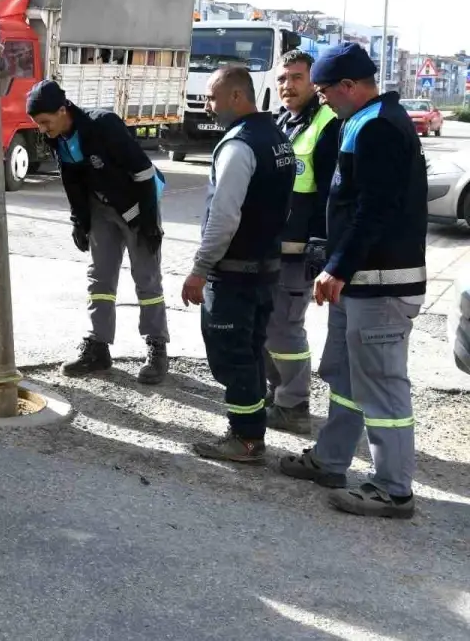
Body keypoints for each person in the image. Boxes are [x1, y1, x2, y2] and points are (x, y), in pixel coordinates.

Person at [278, 42, 427, 519]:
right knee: (345, 377)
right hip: (358, 282)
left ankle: (392, 488)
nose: (322, 99)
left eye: (324, 91)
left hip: (381, 284)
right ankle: (331, 458)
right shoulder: (361, 122)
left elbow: (375, 210)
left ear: (348, 87)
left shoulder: (380, 127)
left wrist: (337, 266)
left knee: (382, 386)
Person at [182, 66, 294, 463]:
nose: (208, 106)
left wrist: (199, 268)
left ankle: (246, 440)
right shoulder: (277, 138)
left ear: (235, 97)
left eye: (212, 97)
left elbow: (224, 217)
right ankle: (250, 430)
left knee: (233, 356)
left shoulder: (239, 146)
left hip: (234, 274)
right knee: (250, 349)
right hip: (266, 269)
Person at [25, 80, 170, 384]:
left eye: (45, 122)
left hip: (135, 205)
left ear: (63, 110)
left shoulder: (103, 124)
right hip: (100, 208)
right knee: (100, 277)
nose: (42, 129)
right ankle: (98, 345)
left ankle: (157, 346)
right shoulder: (59, 137)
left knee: (146, 277)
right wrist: (79, 220)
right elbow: (72, 179)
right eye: (38, 124)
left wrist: (148, 223)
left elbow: (143, 171)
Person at [263, 50, 339, 434]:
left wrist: (320, 243)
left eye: (296, 77)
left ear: (313, 81)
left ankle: (294, 406)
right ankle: (277, 395)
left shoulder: (327, 124)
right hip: (272, 246)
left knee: (286, 328)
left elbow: (332, 192)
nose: (287, 85)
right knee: (267, 325)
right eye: (282, 79)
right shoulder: (283, 121)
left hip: (298, 251)